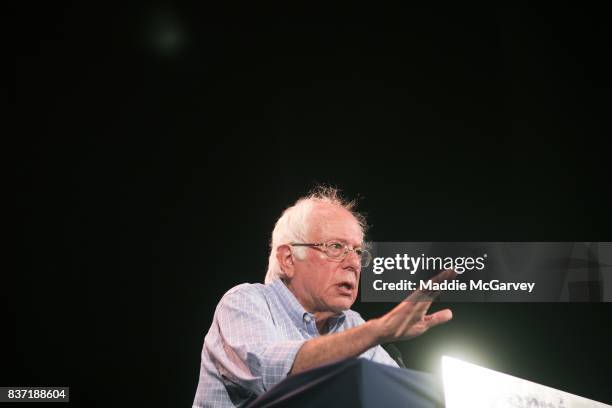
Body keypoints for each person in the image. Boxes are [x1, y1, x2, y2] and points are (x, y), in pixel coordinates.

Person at [192, 186, 455, 407]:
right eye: (336, 247)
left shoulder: (352, 323)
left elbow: (400, 398)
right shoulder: (245, 302)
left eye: (357, 252)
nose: (353, 262)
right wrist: (379, 330)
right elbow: (272, 375)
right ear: (288, 259)